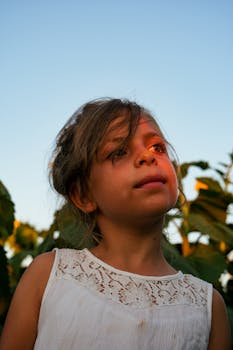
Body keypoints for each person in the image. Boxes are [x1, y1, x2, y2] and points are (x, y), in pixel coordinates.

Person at [0, 98, 231, 350]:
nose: (147, 156)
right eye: (119, 151)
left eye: (157, 147)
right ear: (84, 196)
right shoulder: (48, 276)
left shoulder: (208, 307)